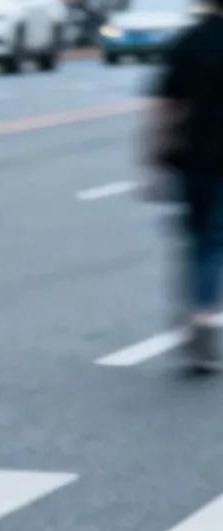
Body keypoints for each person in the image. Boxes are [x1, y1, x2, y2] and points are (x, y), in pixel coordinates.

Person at [153, 0, 223, 372]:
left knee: (200, 242)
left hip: (193, 157)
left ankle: (199, 316)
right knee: (212, 242)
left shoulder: (190, 40)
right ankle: (204, 319)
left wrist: (154, 157)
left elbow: (166, 107)